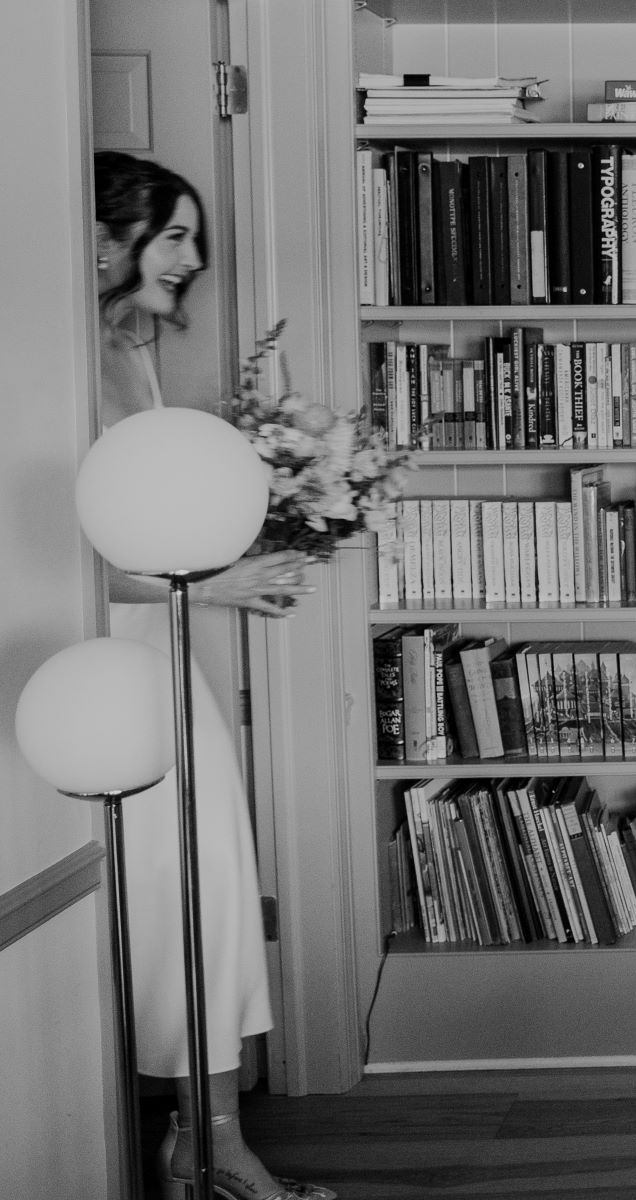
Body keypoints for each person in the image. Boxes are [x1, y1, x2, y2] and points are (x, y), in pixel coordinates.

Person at [94, 151, 333, 1200]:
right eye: (175, 235)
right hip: (103, 667)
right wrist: (224, 580)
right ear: (108, 241)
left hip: (161, 656)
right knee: (168, 894)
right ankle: (206, 1151)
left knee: (211, 887)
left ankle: (210, 1143)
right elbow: (72, 557)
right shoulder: (56, 364)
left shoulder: (128, 354)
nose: (195, 259)